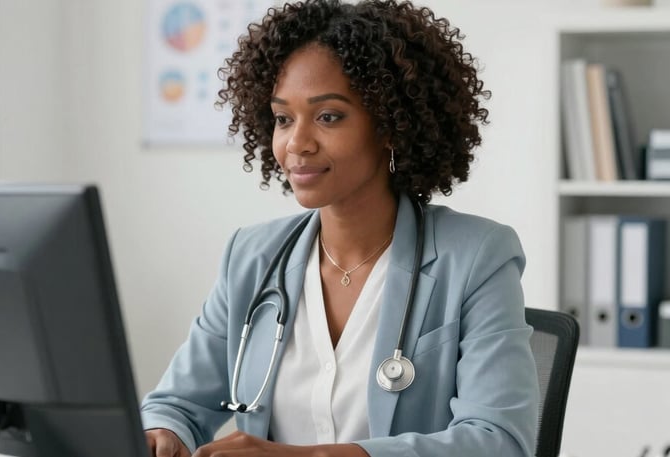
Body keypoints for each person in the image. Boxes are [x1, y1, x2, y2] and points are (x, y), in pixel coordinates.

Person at [141, 0, 539, 456]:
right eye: (283, 118)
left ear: (390, 125)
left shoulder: (477, 256)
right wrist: (163, 433)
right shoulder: (252, 256)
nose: (297, 143)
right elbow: (177, 403)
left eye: (328, 116)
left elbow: (499, 441)